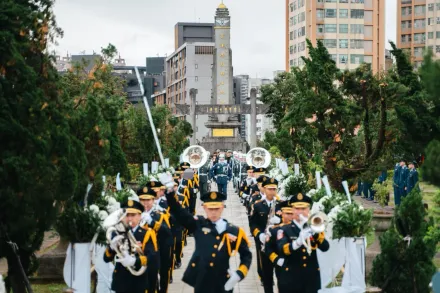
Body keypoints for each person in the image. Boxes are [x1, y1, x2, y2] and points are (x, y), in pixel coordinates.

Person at [159, 173, 252, 293]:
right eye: (210, 208)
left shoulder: (233, 231)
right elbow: (179, 213)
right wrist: (170, 191)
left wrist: (239, 274)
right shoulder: (198, 225)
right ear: (204, 208)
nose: (213, 212)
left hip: (224, 282)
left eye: (216, 208)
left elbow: (246, 255)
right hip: (201, 282)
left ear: (222, 207)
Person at [277, 192, 329, 293]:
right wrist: (298, 242)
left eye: (303, 209)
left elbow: (325, 247)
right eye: (297, 209)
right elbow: (283, 250)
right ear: (292, 210)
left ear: (308, 210)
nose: (300, 212)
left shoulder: (314, 228)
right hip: (291, 280)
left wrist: (315, 233)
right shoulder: (284, 229)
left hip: (311, 280)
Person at [103, 199, 158, 293]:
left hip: (138, 282)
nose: (129, 219)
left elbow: (152, 258)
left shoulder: (147, 233)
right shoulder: (116, 233)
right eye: (126, 215)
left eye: (133, 215)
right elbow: (106, 258)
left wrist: (134, 261)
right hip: (121, 282)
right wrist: (111, 248)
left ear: (140, 216)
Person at [139, 186, 173, 293]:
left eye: (148, 200)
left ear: (153, 200)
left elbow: (167, 232)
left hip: (157, 251)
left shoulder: (159, 215)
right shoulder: (135, 215)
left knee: (159, 278)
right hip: (140, 253)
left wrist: (152, 222)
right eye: (142, 200)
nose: (145, 203)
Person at [249, 177, 281, 291]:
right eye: (269, 189)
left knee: (281, 276)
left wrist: (280, 223)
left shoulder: (281, 205)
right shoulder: (258, 205)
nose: (272, 191)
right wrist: (259, 235)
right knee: (267, 276)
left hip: (279, 243)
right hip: (264, 243)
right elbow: (253, 224)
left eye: (274, 189)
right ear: (264, 189)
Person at [264, 200, 295, 287]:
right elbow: (268, 248)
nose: (290, 216)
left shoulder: (298, 229)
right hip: (282, 265)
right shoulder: (275, 230)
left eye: (291, 213)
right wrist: (277, 260)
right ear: (281, 213)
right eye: (287, 213)